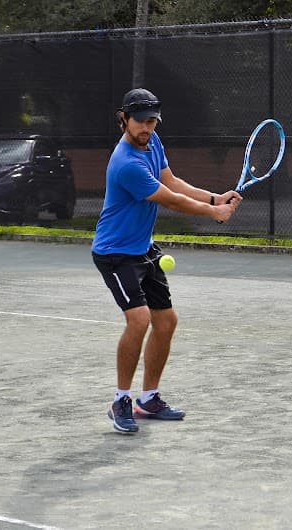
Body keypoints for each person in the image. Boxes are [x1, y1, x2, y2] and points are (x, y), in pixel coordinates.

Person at [92, 88, 242, 434]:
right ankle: (121, 401)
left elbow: (171, 181)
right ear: (124, 119)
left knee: (166, 321)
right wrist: (213, 211)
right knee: (139, 319)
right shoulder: (126, 162)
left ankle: (149, 399)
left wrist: (214, 196)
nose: (147, 127)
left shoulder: (153, 142)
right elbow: (169, 199)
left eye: (152, 120)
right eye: (141, 121)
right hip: (115, 253)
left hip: (143, 248)